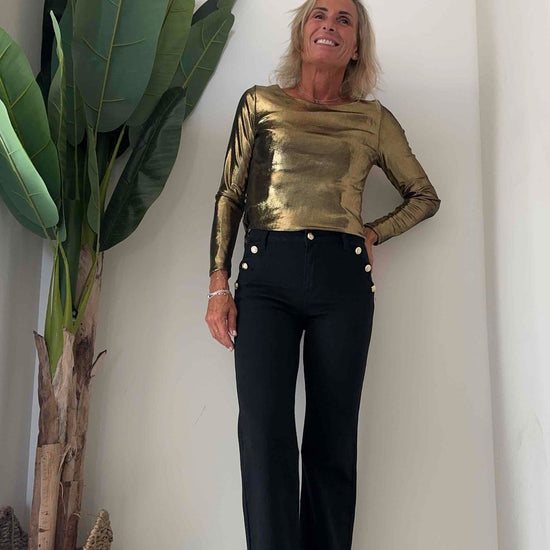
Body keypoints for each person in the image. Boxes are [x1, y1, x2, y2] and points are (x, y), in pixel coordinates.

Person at [205, 0, 441, 548]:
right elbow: (230, 195)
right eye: (319, 15)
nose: (329, 26)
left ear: (355, 46)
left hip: (343, 279)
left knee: (333, 437)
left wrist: (373, 233)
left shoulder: (372, 120)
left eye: (343, 20)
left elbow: (424, 196)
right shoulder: (260, 103)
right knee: (264, 432)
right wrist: (218, 283)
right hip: (266, 275)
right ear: (301, 31)